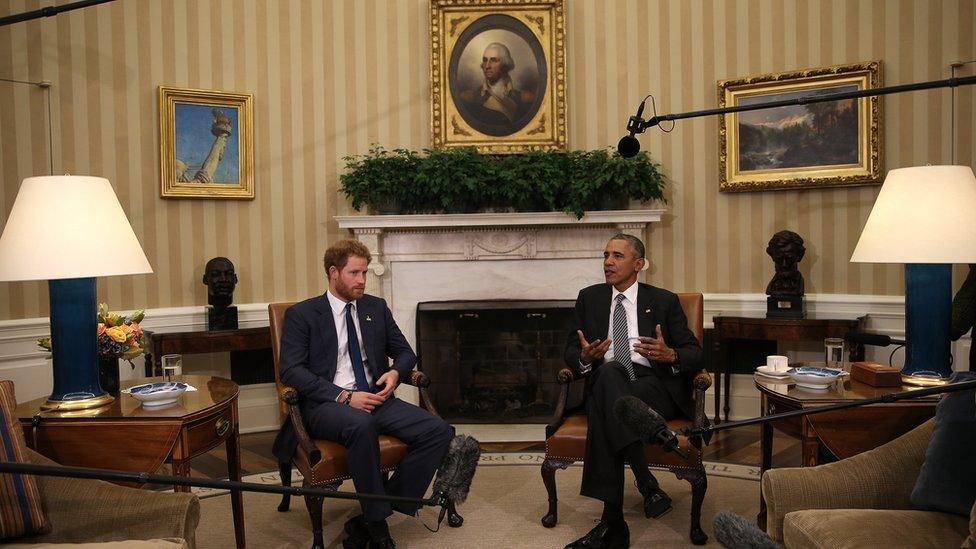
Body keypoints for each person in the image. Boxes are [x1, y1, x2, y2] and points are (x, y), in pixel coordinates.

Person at [274, 240, 455, 549]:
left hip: (375, 396)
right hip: (326, 404)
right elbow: (290, 371)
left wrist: (395, 373)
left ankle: (373, 513)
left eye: (364, 273)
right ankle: (377, 523)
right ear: (333, 273)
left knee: (439, 431)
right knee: (361, 424)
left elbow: (405, 353)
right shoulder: (302, 315)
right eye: (354, 273)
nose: (362, 280)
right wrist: (344, 396)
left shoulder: (375, 307)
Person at [563, 233, 703, 549]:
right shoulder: (589, 297)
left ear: (638, 264)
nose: (608, 262)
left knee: (606, 399)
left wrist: (671, 354)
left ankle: (612, 522)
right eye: (605, 255)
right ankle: (646, 483)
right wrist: (584, 357)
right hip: (607, 380)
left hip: (653, 385)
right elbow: (571, 349)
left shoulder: (664, 300)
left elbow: (695, 352)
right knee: (610, 373)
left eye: (617, 256)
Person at [457, 42, 536, 132]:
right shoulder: (469, 98)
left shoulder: (525, 98)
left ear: (505, 64)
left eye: (494, 60)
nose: (487, 66)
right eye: (485, 60)